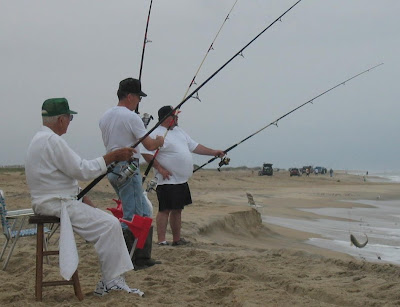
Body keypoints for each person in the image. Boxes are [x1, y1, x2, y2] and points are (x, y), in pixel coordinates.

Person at [25, 98, 144, 296]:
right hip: (55, 204)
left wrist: (83, 197)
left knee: (105, 222)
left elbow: (59, 177)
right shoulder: (53, 141)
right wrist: (114, 156)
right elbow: (83, 170)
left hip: (48, 201)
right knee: (110, 225)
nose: (70, 121)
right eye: (70, 117)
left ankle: (112, 279)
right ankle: (112, 281)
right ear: (61, 119)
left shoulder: (38, 139)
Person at [99, 78, 164, 269]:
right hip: (127, 169)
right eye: (138, 97)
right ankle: (127, 260)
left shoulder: (105, 117)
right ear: (129, 96)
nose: (139, 101)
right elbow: (150, 145)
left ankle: (142, 257)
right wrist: (160, 140)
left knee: (143, 211)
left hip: (112, 169)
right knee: (133, 216)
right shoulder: (131, 117)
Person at [142, 106, 225, 246]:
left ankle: (176, 239)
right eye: (175, 116)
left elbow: (195, 146)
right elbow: (146, 153)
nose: (177, 118)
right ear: (167, 118)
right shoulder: (156, 133)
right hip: (166, 180)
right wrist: (160, 169)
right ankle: (161, 240)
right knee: (165, 210)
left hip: (181, 180)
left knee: (178, 209)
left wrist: (214, 152)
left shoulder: (179, 132)